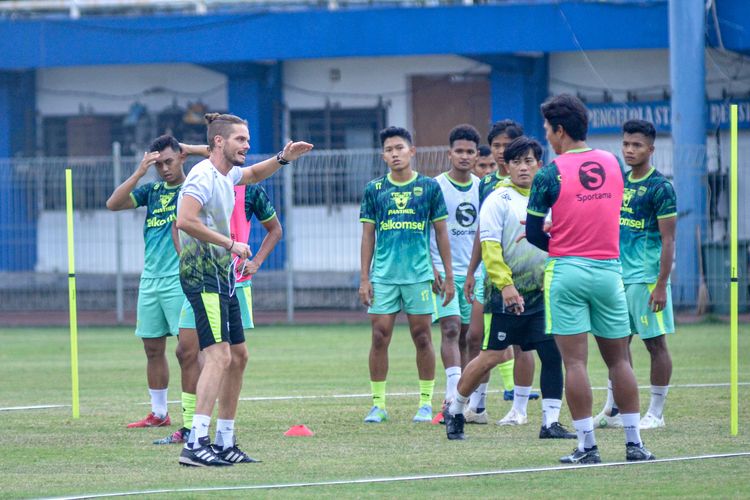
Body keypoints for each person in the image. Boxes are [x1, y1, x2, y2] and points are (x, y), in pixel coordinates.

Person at [176, 112, 312, 467]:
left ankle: (224, 441)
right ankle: (195, 442)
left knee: (238, 357)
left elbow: (252, 174)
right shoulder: (202, 176)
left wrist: (282, 158)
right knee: (218, 356)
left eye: (248, 140)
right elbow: (185, 220)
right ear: (218, 141)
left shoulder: (227, 174)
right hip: (203, 274)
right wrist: (231, 244)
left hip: (224, 277)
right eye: (240, 139)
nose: (247, 146)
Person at [525, 94, 654, 464]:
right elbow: (600, 208)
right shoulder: (613, 163)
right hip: (610, 271)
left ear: (560, 130)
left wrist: (560, 237)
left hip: (567, 272)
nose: (547, 137)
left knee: (576, 364)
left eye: (548, 130)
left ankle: (587, 446)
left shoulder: (548, 173)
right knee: (620, 362)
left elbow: (534, 234)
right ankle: (634, 444)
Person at [443, 136, 575, 441]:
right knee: (491, 356)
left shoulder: (550, 199)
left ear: (539, 165)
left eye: (529, 161)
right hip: (507, 295)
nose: (523, 167)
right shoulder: (498, 200)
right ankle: (457, 408)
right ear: (507, 166)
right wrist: (505, 286)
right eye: (516, 162)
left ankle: (550, 422)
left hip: (543, 293)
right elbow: (490, 248)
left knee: (552, 353)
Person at [156, 179, 282, 446]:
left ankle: (219, 432)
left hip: (233, 282)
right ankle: (192, 428)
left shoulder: (251, 190)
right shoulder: (202, 183)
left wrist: (257, 261)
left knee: (229, 357)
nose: (244, 147)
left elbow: (275, 230)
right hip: (202, 278)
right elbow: (180, 224)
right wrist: (184, 256)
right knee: (186, 350)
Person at [359, 126, 454, 424]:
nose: (395, 154)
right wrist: (365, 278)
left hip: (419, 276)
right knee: (379, 336)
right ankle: (378, 405)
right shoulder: (374, 190)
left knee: (422, 336)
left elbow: (441, 233)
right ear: (383, 155)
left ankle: (425, 403)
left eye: (400, 148)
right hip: (384, 276)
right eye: (389, 149)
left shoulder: (428, 188)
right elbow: (367, 236)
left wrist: (448, 275)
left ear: (412, 151)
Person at [594, 119, 676, 430]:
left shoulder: (661, 187)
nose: (629, 150)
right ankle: (613, 410)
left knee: (655, 344)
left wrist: (661, 285)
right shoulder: (619, 181)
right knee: (616, 344)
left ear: (651, 149)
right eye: (626, 144)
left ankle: (656, 413)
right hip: (616, 275)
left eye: (637, 145)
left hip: (644, 278)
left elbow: (668, 240)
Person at [106, 135, 187, 430]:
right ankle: (159, 413)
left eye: (169, 161)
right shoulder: (152, 191)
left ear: (182, 158)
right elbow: (113, 203)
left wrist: (189, 147)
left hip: (181, 278)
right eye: (159, 164)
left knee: (188, 350)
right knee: (152, 348)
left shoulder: (193, 188)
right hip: (151, 279)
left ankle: (196, 415)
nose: (164, 169)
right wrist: (140, 171)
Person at [464, 119, 539, 414]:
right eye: (495, 146)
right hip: (493, 274)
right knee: (477, 336)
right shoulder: (487, 183)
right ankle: (477, 405)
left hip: (528, 274)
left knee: (523, 345)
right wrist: (472, 271)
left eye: (506, 146)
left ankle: (518, 408)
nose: (499, 151)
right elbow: (484, 232)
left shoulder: (534, 184)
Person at [429, 124, 484, 416]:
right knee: (450, 329)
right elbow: (426, 229)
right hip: (443, 271)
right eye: (459, 151)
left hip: (476, 273)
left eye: (470, 152)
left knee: (470, 336)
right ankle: (451, 394)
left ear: (476, 155)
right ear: (449, 153)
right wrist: (432, 266)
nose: (464, 156)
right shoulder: (434, 186)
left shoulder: (482, 187)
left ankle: (467, 396)